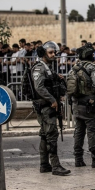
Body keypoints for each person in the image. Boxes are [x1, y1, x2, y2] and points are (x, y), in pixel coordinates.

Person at [31, 41, 71, 176]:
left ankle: (44, 164)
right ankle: (55, 166)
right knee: (52, 135)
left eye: (54, 52)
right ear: (43, 53)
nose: (54, 55)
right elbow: (39, 87)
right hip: (46, 107)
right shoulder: (39, 68)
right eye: (51, 52)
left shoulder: (47, 68)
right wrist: (53, 100)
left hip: (48, 106)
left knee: (44, 135)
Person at [70, 44, 95, 168]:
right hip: (90, 106)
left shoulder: (74, 68)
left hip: (76, 105)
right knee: (93, 131)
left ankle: (78, 159)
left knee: (79, 132)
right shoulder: (92, 68)